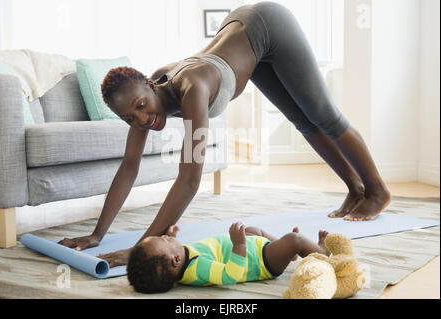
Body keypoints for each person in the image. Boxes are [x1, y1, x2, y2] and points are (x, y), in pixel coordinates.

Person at [59, 2, 391, 267]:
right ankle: (355, 188)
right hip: (244, 39)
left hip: (267, 24)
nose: (143, 119)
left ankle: (376, 191)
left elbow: (189, 179)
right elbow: (129, 166)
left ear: (149, 85)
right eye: (130, 117)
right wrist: (97, 234)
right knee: (302, 122)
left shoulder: (194, 88)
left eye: (142, 106)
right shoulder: (150, 94)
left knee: (324, 116)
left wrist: (143, 247)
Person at [125, 222, 330, 293]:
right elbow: (231, 274)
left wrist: (172, 238)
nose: (164, 237)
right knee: (294, 239)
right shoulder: (198, 268)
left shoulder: (178, 262)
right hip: (260, 261)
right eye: (165, 241)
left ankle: (288, 253)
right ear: (176, 260)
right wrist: (239, 244)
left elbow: (171, 252)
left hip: (254, 248)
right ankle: (321, 253)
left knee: (252, 229)